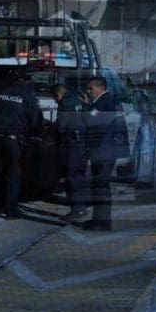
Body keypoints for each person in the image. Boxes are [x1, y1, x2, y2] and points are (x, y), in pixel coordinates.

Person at [0, 71, 42, 218]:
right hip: (14, 140)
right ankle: (10, 210)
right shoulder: (27, 95)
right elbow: (34, 119)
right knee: (13, 175)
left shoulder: (1, 93)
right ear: (26, 83)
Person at [80, 76, 129, 231]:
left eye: (91, 88)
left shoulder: (104, 103)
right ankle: (99, 219)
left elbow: (93, 119)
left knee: (101, 185)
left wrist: (87, 108)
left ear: (100, 87)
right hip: (106, 149)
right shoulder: (108, 102)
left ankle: (102, 222)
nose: (89, 92)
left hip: (103, 150)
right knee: (99, 185)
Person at [53, 83, 89, 221]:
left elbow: (61, 127)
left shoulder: (65, 104)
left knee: (71, 178)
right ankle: (82, 207)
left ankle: (77, 209)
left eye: (55, 98)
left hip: (71, 145)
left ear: (58, 95)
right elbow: (90, 115)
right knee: (79, 177)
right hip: (82, 144)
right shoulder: (77, 100)